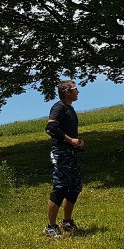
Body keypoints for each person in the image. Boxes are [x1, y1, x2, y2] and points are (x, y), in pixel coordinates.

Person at [43, 80, 85, 237]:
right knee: (60, 188)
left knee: (74, 187)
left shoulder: (69, 108)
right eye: (75, 89)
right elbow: (51, 128)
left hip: (71, 152)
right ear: (67, 92)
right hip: (61, 153)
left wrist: (77, 143)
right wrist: (70, 140)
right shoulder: (58, 107)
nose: (78, 92)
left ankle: (67, 222)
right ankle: (50, 227)